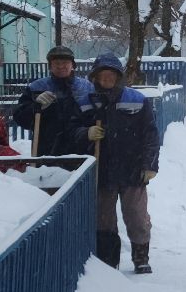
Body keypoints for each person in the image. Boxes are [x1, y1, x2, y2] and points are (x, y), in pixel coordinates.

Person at [86, 52, 160, 273]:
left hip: (133, 168)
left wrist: (150, 165)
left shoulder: (136, 99)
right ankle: (109, 261)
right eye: (103, 75)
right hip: (103, 170)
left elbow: (150, 134)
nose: (107, 78)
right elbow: (73, 130)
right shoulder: (88, 101)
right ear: (96, 77)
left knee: (136, 216)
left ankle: (141, 257)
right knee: (104, 218)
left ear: (119, 76)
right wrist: (85, 132)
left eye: (112, 74)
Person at [13, 45, 94, 156]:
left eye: (65, 62)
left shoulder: (86, 88)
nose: (61, 66)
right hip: (46, 152)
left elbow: (95, 116)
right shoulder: (37, 87)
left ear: (72, 65)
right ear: (50, 67)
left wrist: (88, 132)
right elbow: (20, 117)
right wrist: (35, 106)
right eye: (56, 63)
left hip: (79, 151)